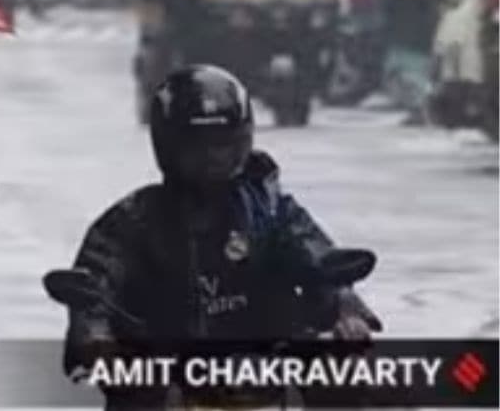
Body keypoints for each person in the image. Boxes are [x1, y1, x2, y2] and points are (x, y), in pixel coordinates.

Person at [62, 65, 380, 408]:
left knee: (362, 383)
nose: (213, 158)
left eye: (224, 145)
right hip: (163, 376)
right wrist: (96, 338)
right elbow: (93, 285)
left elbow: (317, 256)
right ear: (168, 144)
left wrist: (346, 308)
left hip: (264, 366)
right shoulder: (132, 220)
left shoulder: (269, 208)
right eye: (198, 146)